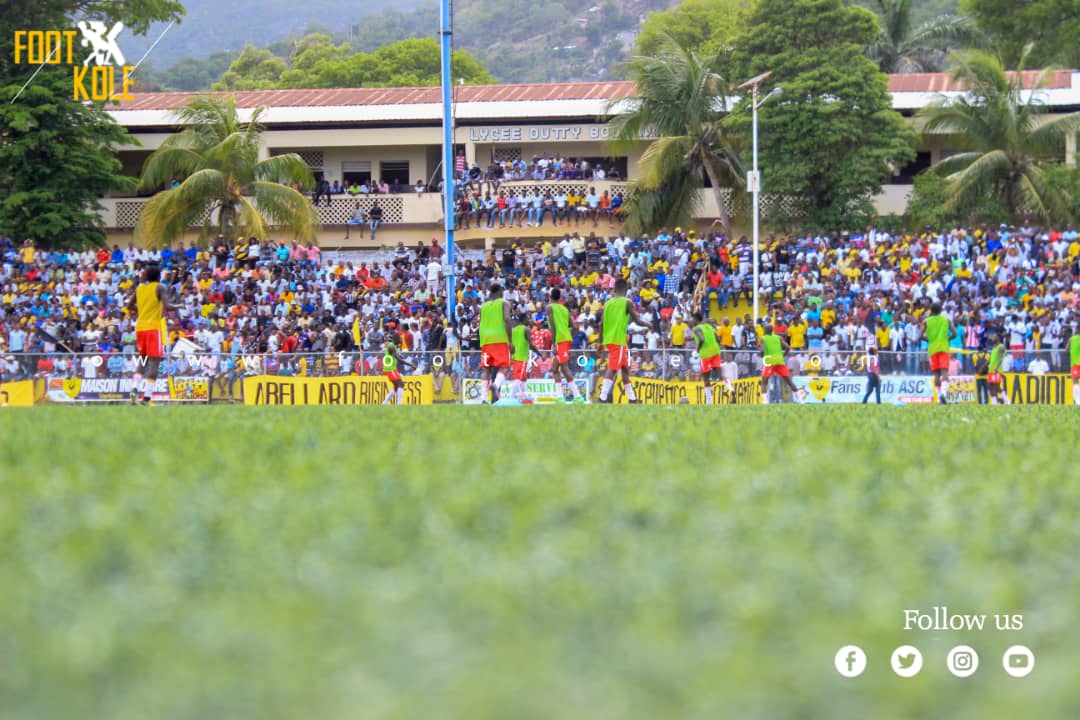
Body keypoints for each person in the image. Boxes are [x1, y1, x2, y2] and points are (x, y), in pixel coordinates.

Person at [127, 265, 179, 405]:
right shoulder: (159, 287)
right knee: (154, 361)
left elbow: (129, 306)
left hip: (140, 328)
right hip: (153, 328)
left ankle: (134, 389)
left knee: (142, 360)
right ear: (158, 276)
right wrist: (179, 306)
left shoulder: (140, 289)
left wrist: (142, 309)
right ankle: (147, 397)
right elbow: (167, 306)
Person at [596, 278, 642, 403]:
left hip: (610, 339)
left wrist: (600, 342)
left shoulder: (608, 303)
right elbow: (637, 320)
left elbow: (601, 324)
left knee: (625, 369)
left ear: (615, 288)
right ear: (626, 289)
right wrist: (648, 325)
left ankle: (632, 399)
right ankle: (602, 397)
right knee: (613, 368)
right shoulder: (626, 302)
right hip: (619, 340)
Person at [479, 283, 514, 403]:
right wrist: (510, 340)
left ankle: (483, 398)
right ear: (499, 292)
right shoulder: (504, 303)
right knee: (505, 366)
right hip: (499, 338)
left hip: (485, 340)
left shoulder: (483, 307)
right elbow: (507, 320)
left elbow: (481, 323)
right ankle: (496, 384)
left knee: (486, 369)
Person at [547, 288, 583, 402]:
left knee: (564, 367)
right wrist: (568, 334)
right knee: (554, 368)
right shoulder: (564, 309)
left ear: (550, 297)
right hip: (566, 339)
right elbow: (575, 327)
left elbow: (552, 326)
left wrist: (553, 344)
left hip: (560, 340)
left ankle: (577, 396)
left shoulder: (549, 307)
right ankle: (560, 397)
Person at [760, 324, 804, 404]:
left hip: (769, 361)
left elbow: (762, 350)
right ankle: (801, 400)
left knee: (764, 382)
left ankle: (765, 401)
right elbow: (787, 347)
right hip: (779, 361)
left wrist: (761, 355)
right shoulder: (778, 337)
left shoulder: (763, 338)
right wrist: (783, 355)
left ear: (765, 331)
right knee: (789, 381)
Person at [922, 302, 956, 404]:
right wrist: (946, 339)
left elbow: (920, 336)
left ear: (931, 311)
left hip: (932, 349)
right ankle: (944, 395)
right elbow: (955, 333)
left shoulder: (926, 321)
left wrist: (930, 340)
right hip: (943, 347)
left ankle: (938, 397)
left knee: (936, 374)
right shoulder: (946, 320)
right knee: (944, 372)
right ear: (941, 311)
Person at [691, 312, 721, 404]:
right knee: (720, 375)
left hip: (705, 354)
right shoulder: (709, 326)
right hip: (715, 351)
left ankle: (709, 401)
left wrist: (698, 348)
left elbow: (701, 339)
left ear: (696, 319)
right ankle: (730, 389)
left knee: (706, 378)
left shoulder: (696, 328)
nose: (692, 321)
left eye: (692, 319)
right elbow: (718, 339)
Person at [509, 311, 540, 398]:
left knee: (523, 378)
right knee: (519, 379)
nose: (529, 320)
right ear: (523, 319)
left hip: (514, 357)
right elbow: (531, 345)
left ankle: (525, 396)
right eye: (527, 318)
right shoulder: (526, 329)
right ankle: (510, 397)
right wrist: (540, 354)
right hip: (522, 357)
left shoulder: (513, 330)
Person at [381, 340, 413, 405]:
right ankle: (399, 404)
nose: (400, 345)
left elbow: (398, 358)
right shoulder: (391, 347)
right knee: (400, 384)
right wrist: (410, 364)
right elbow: (399, 360)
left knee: (396, 387)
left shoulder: (393, 348)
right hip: (390, 369)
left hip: (393, 369)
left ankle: (384, 403)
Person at [987, 333, 1009, 405]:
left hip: (997, 370)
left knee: (996, 387)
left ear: (998, 338)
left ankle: (1007, 400)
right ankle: (995, 402)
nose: (993, 338)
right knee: (990, 386)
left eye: (994, 336)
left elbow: (1000, 359)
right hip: (991, 370)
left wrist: (996, 368)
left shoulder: (1001, 347)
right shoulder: (994, 347)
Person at [1070, 326, 1080, 406]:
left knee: (1075, 382)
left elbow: (1066, 350)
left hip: (1075, 364)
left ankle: (1077, 402)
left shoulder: (1072, 338)